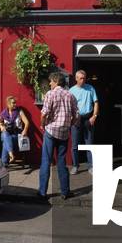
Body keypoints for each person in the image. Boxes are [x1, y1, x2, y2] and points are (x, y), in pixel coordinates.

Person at [39, 72, 79, 200]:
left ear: (56, 81)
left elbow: (44, 114)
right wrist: (69, 124)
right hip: (64, 133)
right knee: (62, 161)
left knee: (46, 160)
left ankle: (42, 192)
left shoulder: (50, 94)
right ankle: (65, 192)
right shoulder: (70, 95)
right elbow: (76, 115)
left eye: (51, 81)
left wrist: (43, 125)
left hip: (51, 131)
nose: (50, 83)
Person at [69, 70, 99, 175]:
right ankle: (75, 166)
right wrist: (72, 117)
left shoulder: (90, 88)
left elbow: (96, 103)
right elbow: (69, 106)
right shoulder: (71, 91)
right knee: (75, 144)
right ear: (76, 78)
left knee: (89, 143)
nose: (83, 80)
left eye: (84, 78)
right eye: (81, 78)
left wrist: (94, 116)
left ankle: (91, 166)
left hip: (88, 118)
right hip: (76, 119)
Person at [0, 96, 30, 166]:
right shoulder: (4, 112)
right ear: (8, 104)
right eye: (13, 103)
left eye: (15, 103)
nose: (15, 104)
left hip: (16, 136)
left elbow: (27, 122)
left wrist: (25, 130)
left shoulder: (19, 111)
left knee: (5, 140)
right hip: (7, 134)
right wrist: (1, 126)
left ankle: (4, 162)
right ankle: (11, 155)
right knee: (5, 134)